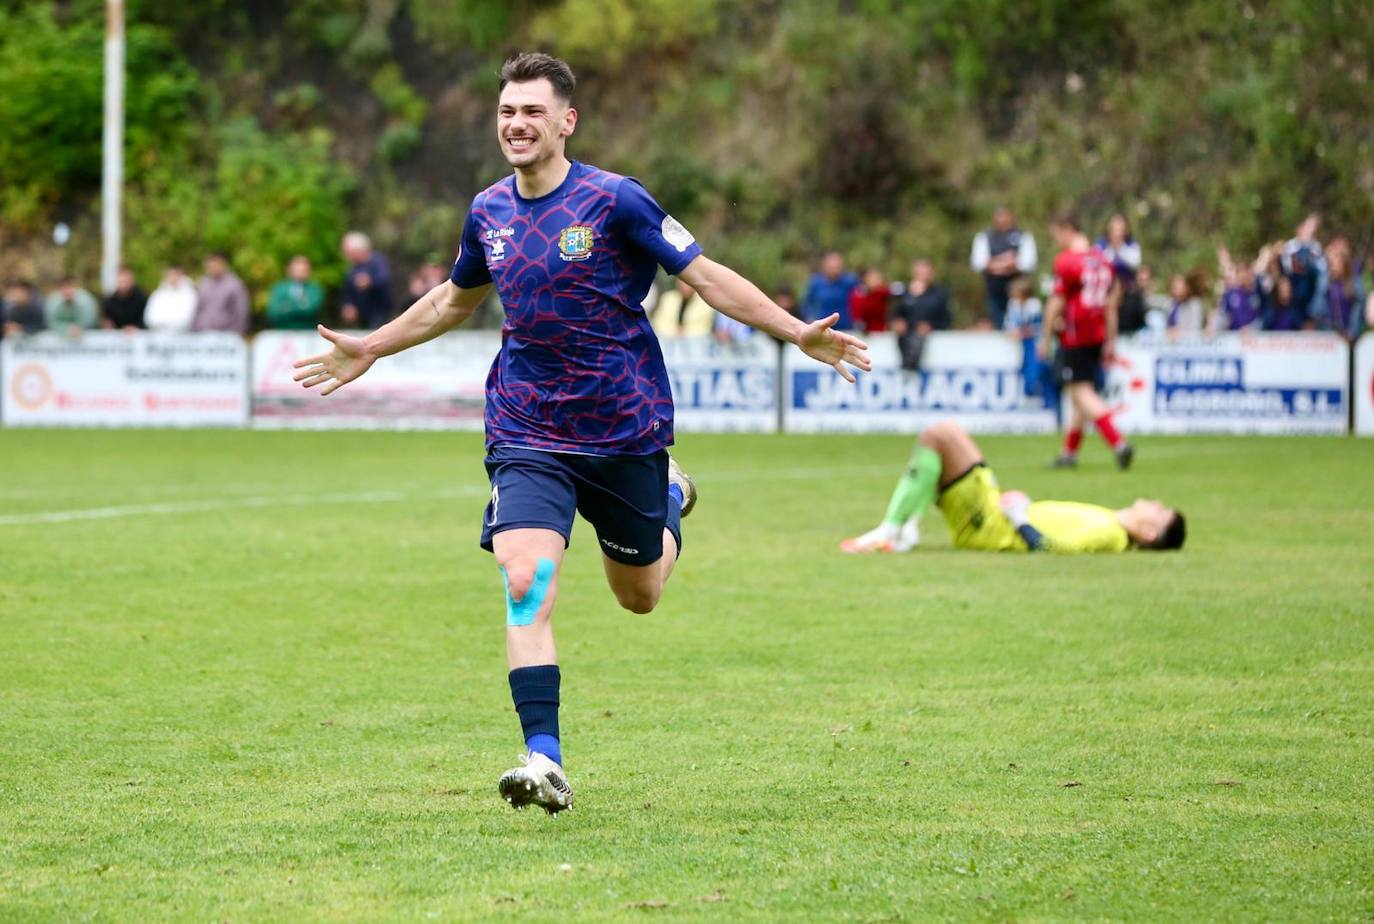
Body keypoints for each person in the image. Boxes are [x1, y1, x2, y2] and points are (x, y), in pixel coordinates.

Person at [289, 53, 869, 816]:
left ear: (566, 122)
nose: (516, 125)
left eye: (532, 112)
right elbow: (452, 302)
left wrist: (795, 331)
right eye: (506, 112)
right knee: (525, 579)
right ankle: (544, 755)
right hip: (526, 428)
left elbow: (703, 275)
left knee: (640, 595)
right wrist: (372, 344)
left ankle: (666, 495)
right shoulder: (488, 211)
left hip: (624, 429)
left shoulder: (616, 201)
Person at [840, 420, 1184, 554]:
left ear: (1151, 533)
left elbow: (1048, 546)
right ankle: (904, 530)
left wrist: (1020, 518)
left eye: (1160, 510)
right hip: (994, 511)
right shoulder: (1112, 521)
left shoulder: (1109, 535)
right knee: (946, 437)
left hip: (989, 525)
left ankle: (891, 530)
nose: (1154, 501)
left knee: (939, 436)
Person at [1039, 215, 1134, 469]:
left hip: (1075, 336)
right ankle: (1069, 454)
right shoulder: (1104, 261)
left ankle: (1118, 443)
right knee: (1079, 395)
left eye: (1057, 235)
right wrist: (1111, 340)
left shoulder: (1068, 261)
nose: (1057, 241)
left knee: (1080, 392)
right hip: (1097, 335)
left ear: (1067, 230)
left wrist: (1045, 336)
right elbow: (1111, 306)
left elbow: (1056, 302)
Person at [970, 207, 1037, 328]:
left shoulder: (1023, 236)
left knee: (1019, 323)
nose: (1003, 220)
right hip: (993, 289)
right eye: (999, 217)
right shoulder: (985, 236)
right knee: (997, 322)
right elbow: (978, 263)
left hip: (1018, 290)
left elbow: (1028, 263)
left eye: (1005, 216)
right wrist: (1007, 261)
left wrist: (995, 263)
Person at [891, 258, 950, 371]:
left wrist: (931, 326)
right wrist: (898, 322)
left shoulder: (939, 294)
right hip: (905, 335)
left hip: (926, 335)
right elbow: (896, 313)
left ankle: (910, 366)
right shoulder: (904, 293)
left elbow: (946, 318)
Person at [1003, 277, 1046, 399]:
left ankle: (1032, 388)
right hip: (1019, 343)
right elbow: (1009, 324)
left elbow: (1038, 327)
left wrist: (1022, 332)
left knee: (1033, 366)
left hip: (1033, 342)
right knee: (1021, 366)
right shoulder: (1013, 304)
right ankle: (1027, 389)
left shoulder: (1034, 305)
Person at [340, 231, 393, 329]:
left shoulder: (378, 261)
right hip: (361, 316)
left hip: (379, 314)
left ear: (359, 250)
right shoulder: (352, 267)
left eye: (349, 252)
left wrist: (370, 282)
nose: (347, 256)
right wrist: (348, 305)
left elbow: (384, 280)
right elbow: (348, 291)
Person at [1281, 213, 1327, 326]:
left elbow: (1322, 268)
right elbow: (1287, 267)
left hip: (1310, 286)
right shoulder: (1291, 245)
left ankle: (1314, 312)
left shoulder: (1316, 246)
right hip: (1295, 284)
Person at [191, 253, 250, 334]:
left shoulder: (234, 284)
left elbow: (241, 310)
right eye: (210, 266)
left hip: (225, 334)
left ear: (223, 264)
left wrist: (237, 332)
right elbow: (197, 308)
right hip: (203, 333)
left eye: (216, 265)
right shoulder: (203, 283)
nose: (213, 268)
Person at [1210, 247, 1263, 333]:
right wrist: (1213, 326)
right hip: (1234, 339)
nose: (1244, 275)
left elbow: (1262, 316)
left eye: (1246, 272)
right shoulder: (1230, 293)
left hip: (1255, 338)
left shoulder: (1258, 292)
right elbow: (1224, 315)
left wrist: (1251, 328)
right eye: (1241, 272)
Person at [265, 255, 325, 330]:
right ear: (290, 270)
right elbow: (273, 312)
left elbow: (312, 311)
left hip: (308, 334)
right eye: (298, 269)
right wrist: (301, 305)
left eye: (304, 270)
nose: (302, 272)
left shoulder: (315, 289)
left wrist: (287, 307)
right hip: (283, 333)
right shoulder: (279, 288)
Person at [802, 251, 857, 329]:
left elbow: (860, 298)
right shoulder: (816, 283)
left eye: (838, 265)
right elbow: (807, 303)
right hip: (824, 326)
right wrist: (809, 317)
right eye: (832, 265)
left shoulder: (850, 281)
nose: (835, 268)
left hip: (846, 327)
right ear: (825, 265)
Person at [1321, 242, 1364, 340]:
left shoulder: (1354, 282)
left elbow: (1358, 308)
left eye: (1335, 263)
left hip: (1351, 334)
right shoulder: (1327, 282)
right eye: (1330, 263)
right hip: (1330, 334)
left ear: (1344, 264)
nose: (1332, 267)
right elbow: (1322, 308)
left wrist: (1352, 330)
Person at [144, 266, 199, 332]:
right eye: (170, 274)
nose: (173, 277)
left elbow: (187, 319)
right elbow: (149, 318)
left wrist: (168, 323)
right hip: (159, 335)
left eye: (175, 274)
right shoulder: (157, 295)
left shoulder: (190, 295)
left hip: (183, 335)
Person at [1096, 213, 1142, 291]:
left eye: (1121, 229)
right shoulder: (1101, 244)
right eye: (1115, 229)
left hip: (1126, 287)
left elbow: (1135, 263)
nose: (1117, 232)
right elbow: (1096, 262)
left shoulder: (1131, 244)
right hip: (1105, 288)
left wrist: (1120, 248)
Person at [847, 267, 890, 333]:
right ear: (865, 279)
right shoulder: (858, 294)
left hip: (881, 332)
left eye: (876, 278)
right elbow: (856, 314)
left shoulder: (882, 293)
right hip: (864, 332)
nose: (874, 281)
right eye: (871, 278)